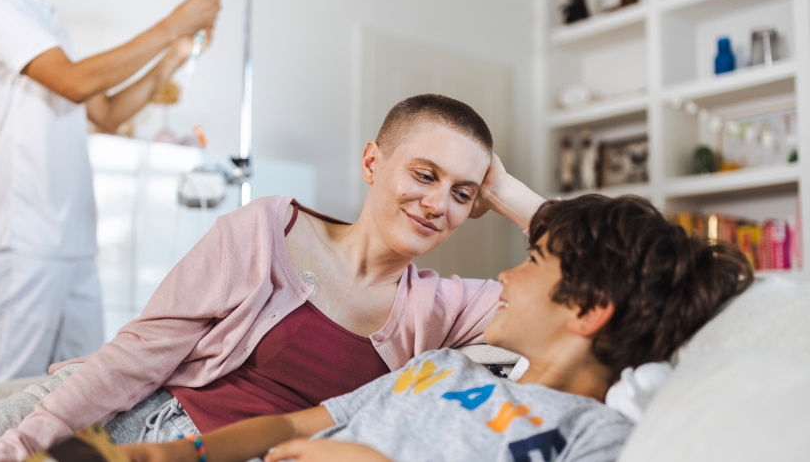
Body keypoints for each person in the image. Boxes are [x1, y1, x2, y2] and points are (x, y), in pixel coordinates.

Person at [0, 93, 544, 461]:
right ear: (373, 162)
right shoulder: (268, 229)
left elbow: (598, 275)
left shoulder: (444, 306)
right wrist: (23, 445)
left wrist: (509, 192)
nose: (437, 203)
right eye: (424, 174)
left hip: (216, 456)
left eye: (462, 193)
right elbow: (140, 354)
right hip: (124, 417)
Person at [117, 194, 754, 462]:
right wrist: (174, 453)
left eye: (533, 262)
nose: (504, 275)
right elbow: (289, 426)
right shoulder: (441, 367)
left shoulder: (596, 435)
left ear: (588, 310)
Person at [0, 0, 221, 386]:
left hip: (73, 242)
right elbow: (75, 82)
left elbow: (107, 113)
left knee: (80, 394)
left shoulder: (45, 21)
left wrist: (171, 57)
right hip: (25, 238)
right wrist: (175, 22)